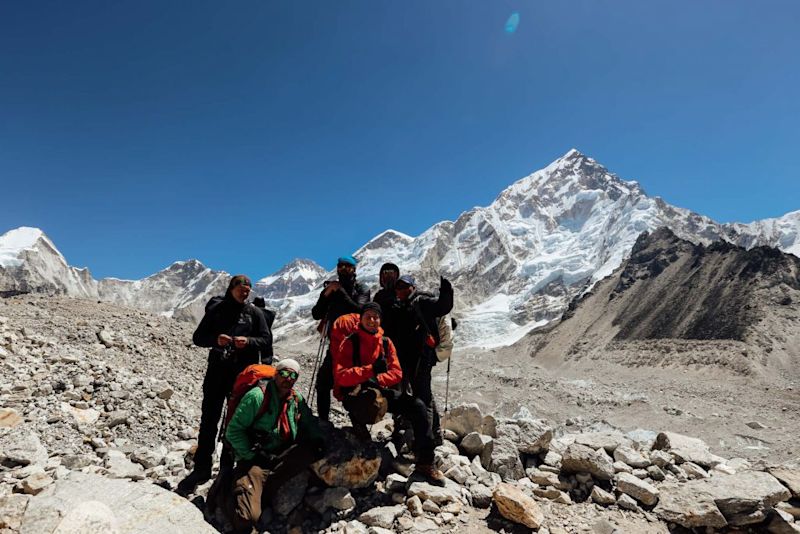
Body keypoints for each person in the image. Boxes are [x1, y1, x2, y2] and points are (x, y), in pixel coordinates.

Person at [176, 275, 272, 496]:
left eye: (248, 289)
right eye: (241, 288)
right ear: (231, 288)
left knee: (235, 421)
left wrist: (248, 342)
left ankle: (226, 469)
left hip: (242, 376)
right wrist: (215, 340)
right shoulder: (217, 310)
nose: (244, 292)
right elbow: (198, 337)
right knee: (209, 419)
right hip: (217, 371)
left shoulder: (255, 313)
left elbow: (266, 340)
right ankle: (202, 468)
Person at [332, 303, 444, 484]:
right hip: (355, 392)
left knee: (417, 406)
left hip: (380, 389)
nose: (371, 320)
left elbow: (397, 373)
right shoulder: (350, 342)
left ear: (380, 320)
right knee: (367, 404)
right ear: (360, 318)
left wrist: (376, 379)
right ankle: (360, 430)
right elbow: (341, 376)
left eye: (375, 316)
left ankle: (425, 461)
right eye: (367, 316)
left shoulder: (385, 342)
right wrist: (369, 371)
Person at [222, 359, 323, 533]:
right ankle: (227, 492)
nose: (288, 378)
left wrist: (319, 440)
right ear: (276, 374)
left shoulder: (296, 400)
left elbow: (309, 422)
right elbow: (233, 431)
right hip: (254, 459)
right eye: (284, 373)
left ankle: (261, 491)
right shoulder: (257, 396)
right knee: (249, 517)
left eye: (293, 375)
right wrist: (250, 455)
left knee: (309, 451)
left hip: (277, 455)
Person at [383, 274, 453, 445]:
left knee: (422, 398)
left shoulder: (421, 302)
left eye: (405, 287)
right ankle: (420, 433)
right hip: (402, 360)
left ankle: (426, 440)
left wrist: (446, 289)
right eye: (398, 287)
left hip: (421, 360)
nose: (401, 290)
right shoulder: (398, 306)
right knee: (409, 397)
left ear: (413, 287)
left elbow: (442, 307)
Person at [310, 255, 370, 421]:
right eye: (341, 266)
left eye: (347, 267)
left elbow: (359, 310)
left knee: (353, 386)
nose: (343, 269)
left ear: (354, 269)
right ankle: (323, 421)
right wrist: (325, 295)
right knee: (323, 383)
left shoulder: (362, 289)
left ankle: (358, 424)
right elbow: (316, 314)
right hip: (335, 345)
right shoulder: (332, 289)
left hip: (356, 346)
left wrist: (339, 291)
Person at [252, 296, 276, 364]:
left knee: (254, 356)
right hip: (268, 335)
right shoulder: (271, 313)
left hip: (256, 335)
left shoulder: (254, 312)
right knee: (267, 355)